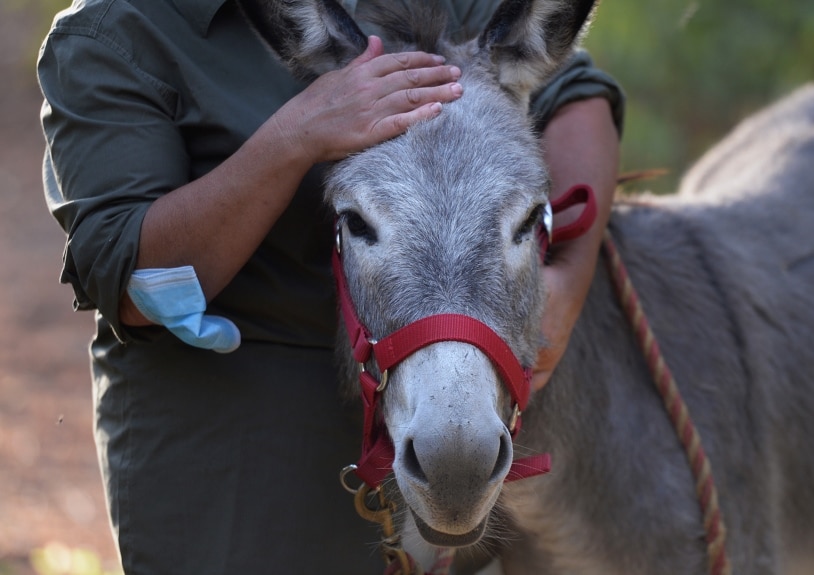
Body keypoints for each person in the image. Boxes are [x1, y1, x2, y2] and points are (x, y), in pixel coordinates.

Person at [38, 0, 622, 572]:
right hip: (241, 456)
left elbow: (574, 88)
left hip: (448, 425)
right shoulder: (117, 30)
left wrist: (567, 276)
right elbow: (133, 286)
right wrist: (296, 136)